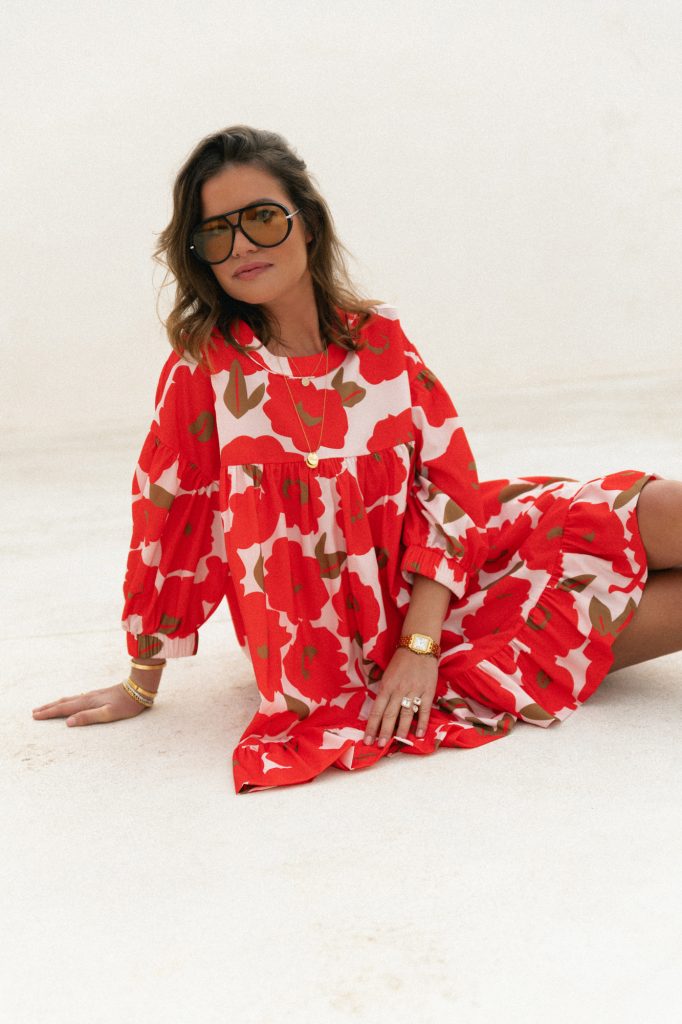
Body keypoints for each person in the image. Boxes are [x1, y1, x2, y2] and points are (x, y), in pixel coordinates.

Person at [32, 125, 682, 794]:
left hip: (447, 577)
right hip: (345, 650)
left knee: (666, 508)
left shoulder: (381, 340)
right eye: (216, 233)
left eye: (262, 218)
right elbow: (169, 523)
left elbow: (447, 487)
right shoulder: (206, 371)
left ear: (308, 224)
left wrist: (420, 644)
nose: (243, 246)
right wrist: (141, 681)